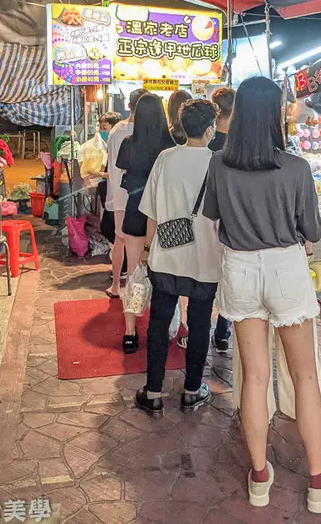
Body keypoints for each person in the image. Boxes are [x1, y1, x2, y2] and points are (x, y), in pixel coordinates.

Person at [203, 76, 321, 514]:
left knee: (255, 377)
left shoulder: (219, 164)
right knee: (303, 376)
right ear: (275, 115)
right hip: (285, 270)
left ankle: (260, 477)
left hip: (240, 270)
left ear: (240, 114)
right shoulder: (297, 168)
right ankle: (319, 482)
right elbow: (313, 232)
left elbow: (213, 216)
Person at [135, 99, 220, 416]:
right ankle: (192, 390)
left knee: (158, 324)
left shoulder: (165, 158)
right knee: (199, 326)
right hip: (205, 260)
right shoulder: (218, 163)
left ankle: (153, 392)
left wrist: (145, 249)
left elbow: (151, 212)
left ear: (183, 127)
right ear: (209, 129)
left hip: (167, 257)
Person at [116, 93, 174, 353]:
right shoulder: (171, 144)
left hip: (135, 210)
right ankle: (161, 327)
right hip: (164, 212)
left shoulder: (129, 142)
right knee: (164, 275)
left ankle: (130, 332)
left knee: (134, 273)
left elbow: (123, 171)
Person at [105, 89, 147, 300]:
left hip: (120, 195)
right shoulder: (150, 131)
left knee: (120, 241)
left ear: (128, 106)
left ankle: (115, 286)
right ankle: (135, 287)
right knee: (140, 244)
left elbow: (113, 166)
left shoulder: (117, 131)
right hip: (142, 197)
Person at [208, 87, 235, 353]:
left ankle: (201, 326)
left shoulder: (206, 139)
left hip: (206, 215)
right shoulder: (240, 142)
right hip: (231, 219)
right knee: (227, 277)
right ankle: (223, 331)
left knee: (206, 276)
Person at [96, 112, 122, 246]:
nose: (102, 132)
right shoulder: (108, 146)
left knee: (109, 228)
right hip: (110, 193)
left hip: (118, 195)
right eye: (100, 128)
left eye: (105, 128)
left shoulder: (120, 143)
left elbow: (115, 172)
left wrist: (99, 174)